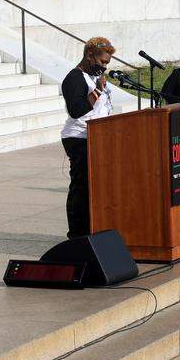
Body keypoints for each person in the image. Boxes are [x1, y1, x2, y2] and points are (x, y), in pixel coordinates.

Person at [60, 37, 116, 238]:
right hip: (79, 138)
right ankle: (77, 233)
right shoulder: (74, 78)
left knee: (94, 187)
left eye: (107, 64)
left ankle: (92, 228)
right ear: (89, 55)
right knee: (81, 187)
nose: (104, 67)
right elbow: (76, 110)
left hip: (96, 137)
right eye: (102, 62)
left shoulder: (93, 77)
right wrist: (98, 90)